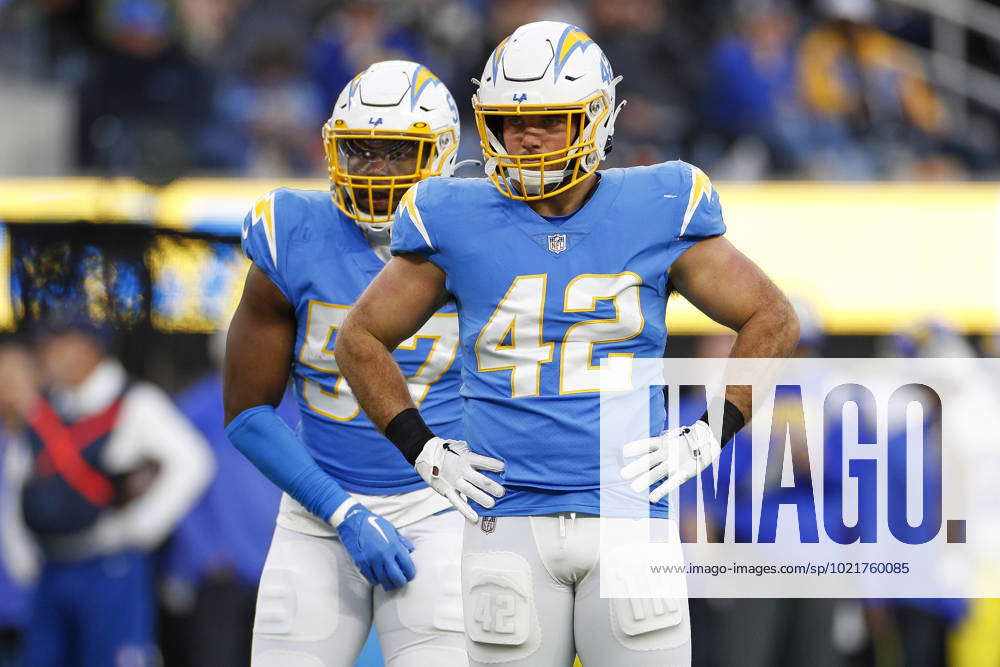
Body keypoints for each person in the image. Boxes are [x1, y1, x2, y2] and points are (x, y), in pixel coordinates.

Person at [335, 21, 799, 666]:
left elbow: (773, 318)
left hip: (630, 513)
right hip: (507, 518)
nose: (527, 135)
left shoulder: (661, 201)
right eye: (509, 121)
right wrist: (422, 448)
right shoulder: (451, 213)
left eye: (551, 120)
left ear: (598, 118)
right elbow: (359, 338)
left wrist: (710, 431)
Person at [224, 60, 469, 666]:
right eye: (360, 151)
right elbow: (247, 413)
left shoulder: (480, 231)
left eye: (396, 153)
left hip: (444, 508)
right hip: (319, 509)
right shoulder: (292, 231)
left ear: (441, 154)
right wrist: (340, 509)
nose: (377, 170)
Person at [7, 318, 213, 667]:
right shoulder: (44, 407)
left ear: (90, 348)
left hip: (109, 564)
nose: (49, 355)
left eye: (60, 344)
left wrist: (141, 528)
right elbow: (17, 478)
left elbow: (194, 461)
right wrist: (20, 552)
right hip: (51, 564)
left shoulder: (133, 400)